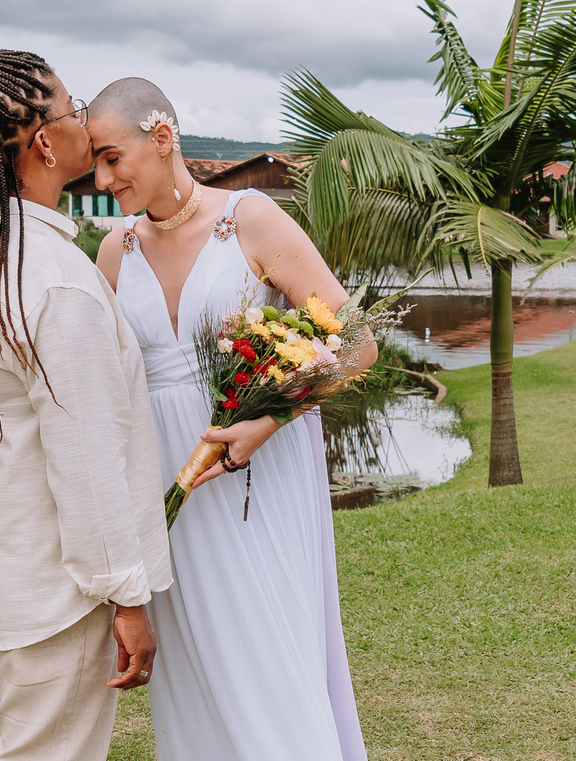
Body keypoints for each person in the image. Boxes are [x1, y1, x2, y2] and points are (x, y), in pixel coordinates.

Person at [88, 77, 376, 761]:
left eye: (110, 157)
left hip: (254, 479)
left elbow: (358, 342)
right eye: (94, 162)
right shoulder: (112, 250)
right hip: (163, 486)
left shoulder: (250, 220)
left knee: (266, 660)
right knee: (196, 671)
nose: (100, 178)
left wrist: (268, 421)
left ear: (162, 138)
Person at [0, 44, 172, 761]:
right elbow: (84, 460)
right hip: (58, 589)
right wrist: (126, 596)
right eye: (73, 108)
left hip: (3, 571)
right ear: (44, 143)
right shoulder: (57, 282)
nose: (85, 121)